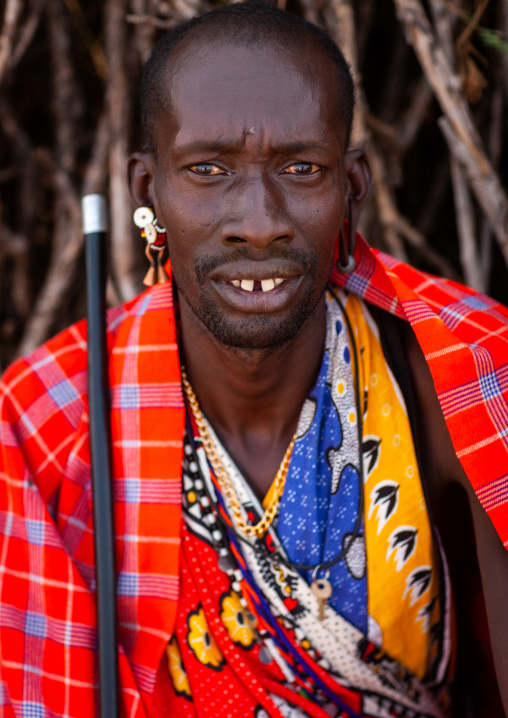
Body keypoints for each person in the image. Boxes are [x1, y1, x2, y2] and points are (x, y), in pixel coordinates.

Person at [1, 3, 508, 717]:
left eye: (301, 167)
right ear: (149, 191)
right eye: (208, 169)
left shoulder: (459, 371)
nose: (260, 222)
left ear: (350, 186)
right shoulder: (47, 428)